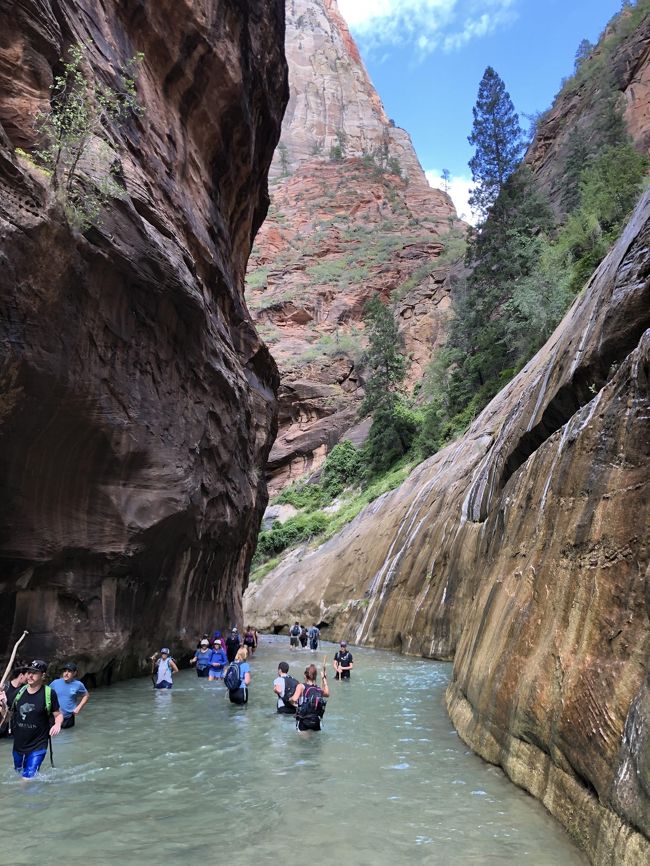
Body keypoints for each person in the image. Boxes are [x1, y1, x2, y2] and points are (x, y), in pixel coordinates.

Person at [11, 659, 63, 778]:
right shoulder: (19, 692)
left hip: (38, 744)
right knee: (18, 773)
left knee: (28, 777)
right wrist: (2, 705)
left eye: (34, 672)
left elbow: (58, 714)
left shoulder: (49, 694)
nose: (30, 675)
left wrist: (57, 724)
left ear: (43, 675)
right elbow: (9, 714)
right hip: (19, 744)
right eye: (28, 672)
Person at [291, 663, 329, 732]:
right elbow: (327, 693)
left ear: (305, 675)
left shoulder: (301, 686)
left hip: (304, 721)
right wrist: (324, 678)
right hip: (316, 722)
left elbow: (294, 699)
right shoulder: (318, 689)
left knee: (304, 742)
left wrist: (290, 699)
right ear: (315, 676)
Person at [0, 662, 28, 737]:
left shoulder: (25, 689)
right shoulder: (4, 687)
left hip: (18, 726)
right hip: (4, 724)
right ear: (21, 675)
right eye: (27, 675)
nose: (28, 678)